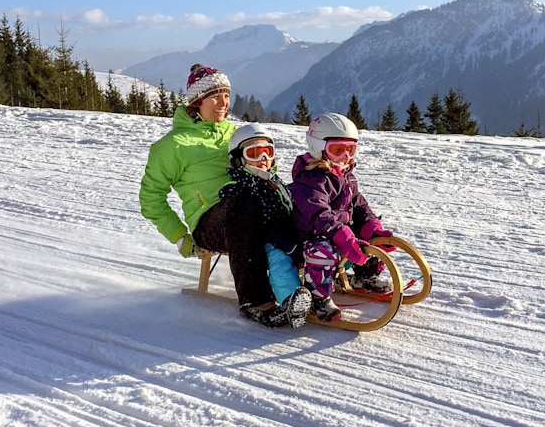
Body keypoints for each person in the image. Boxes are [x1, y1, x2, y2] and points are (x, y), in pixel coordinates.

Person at [139, 64, 309, 328]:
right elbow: (150, 198)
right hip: (211, 222)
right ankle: (255, 300)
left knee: (303, 196)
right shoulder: (172, 146)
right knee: (244, 206)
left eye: (226, 95)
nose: (224, 103)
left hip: (253, 205)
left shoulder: (235, 133)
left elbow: (265, 165)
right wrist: (181, 238)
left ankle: (322, 273)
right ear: (197, 101)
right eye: (215, 96)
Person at [290, 113, 395, 322]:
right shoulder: (310, 180)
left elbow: (359, 205)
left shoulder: (346, 177)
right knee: (323, 251)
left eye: (350, 149)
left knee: (367, 237)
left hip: (336, 232)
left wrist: (371, 226)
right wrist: (342, 234)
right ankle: (318, 297)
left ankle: (365, 276)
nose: (345, 156)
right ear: (318, 148)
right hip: (308, 237)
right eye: (337, 150)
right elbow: (319, 215)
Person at [218, 123, 311, 327]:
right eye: (254, 153)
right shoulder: (239, 187)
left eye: (267, 153)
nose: (263, 160)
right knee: (280, 262)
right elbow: (253, 221)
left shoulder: (275, 182)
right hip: (266, 241)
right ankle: (291, 299)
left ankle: (323, 285)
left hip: (287, 235)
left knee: (318, 248)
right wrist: (287, 243)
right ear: (238, 158)